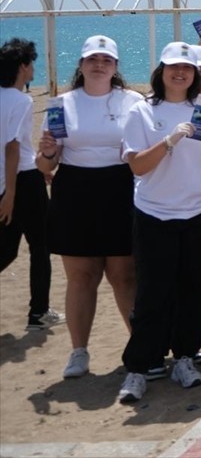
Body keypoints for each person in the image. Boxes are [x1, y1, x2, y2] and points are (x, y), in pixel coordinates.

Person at [117, 42, 201, 404]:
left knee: (196, 291)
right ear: (162, 71)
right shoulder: (142, 111)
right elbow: (137, 165)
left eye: (188, 68)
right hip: (155, 214)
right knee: (153, 293)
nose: (181, 73)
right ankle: (140, 367)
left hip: (200, 213)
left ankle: (185, 357)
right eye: (173, 67)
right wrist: (169, 140)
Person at [35, 35, 141, 378]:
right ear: (81, 65)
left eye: (106, 60)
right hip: (75, 193)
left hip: (122, 190)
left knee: (124, 276)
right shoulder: (59, 105)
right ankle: (79, 352)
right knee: (81, 277)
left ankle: (139, 347)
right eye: (92, 59)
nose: (99, 65)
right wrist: (48, 151)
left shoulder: (133, 101)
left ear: (115, 67)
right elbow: (45, 166)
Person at [1, 38, 63, 332]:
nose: (34, 68)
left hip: (18, 177)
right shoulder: (22, 101)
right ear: (23, 66)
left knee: (8, 249)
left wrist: (42, 172)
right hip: (20, 182)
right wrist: (11, 192)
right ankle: (38, 312)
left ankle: (39, 310)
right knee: (41, 245)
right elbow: (12, 147)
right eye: (32, 63)